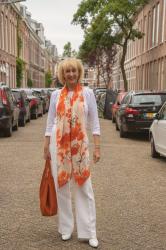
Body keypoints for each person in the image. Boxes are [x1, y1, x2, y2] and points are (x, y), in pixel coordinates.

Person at [44, 58, 100, 248]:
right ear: (62, 74)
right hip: (58, 146)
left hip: (80, 146)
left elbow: (95, 122)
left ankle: (89, 232)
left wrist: (97, 146)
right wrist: (46, 145)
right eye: (67, 71)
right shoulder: (55, 95)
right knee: (62, 188)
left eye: (74, 71)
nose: (71, 74)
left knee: (85, 186)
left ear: (79, 72)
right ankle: (66, 228)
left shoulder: (88, 94)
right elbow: (51, 121)